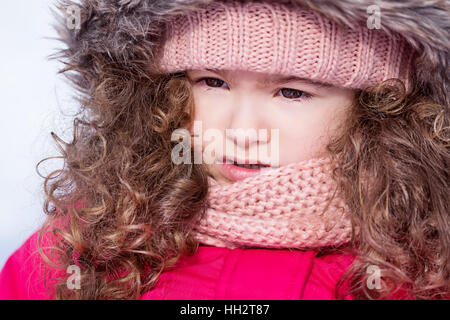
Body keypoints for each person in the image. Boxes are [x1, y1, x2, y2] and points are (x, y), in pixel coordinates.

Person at [0, 0, 448, 300]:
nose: (242, 130)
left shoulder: (425, 268)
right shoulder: (79, 247)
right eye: (213, 83)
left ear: (376, 110)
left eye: (293, 93)